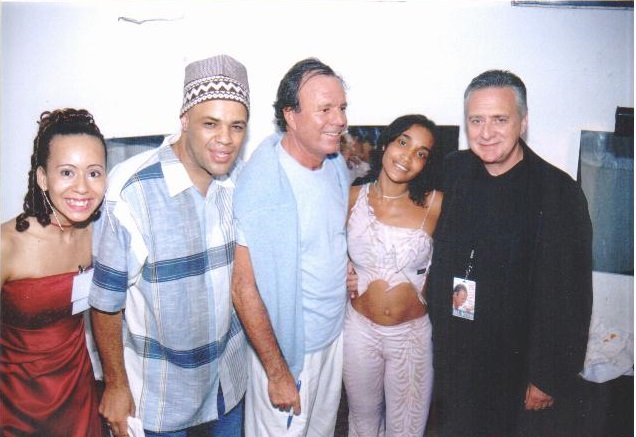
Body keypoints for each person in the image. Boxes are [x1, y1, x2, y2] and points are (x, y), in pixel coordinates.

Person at [89, 54, 250, 437]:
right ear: (184, 120)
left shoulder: (239, 182)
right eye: (210, 123)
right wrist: (116, 385)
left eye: (237, 126)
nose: (225, 139)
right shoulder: (131, 190)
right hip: (159, 396)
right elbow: (106, 301)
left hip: (227, 384)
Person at [427, 69, 593, 437]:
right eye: (476, 120)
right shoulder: (453, 170)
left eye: (500, 119)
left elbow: (571, 296)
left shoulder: (558, 192)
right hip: (453, 356)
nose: (486, 132)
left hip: (514, 367)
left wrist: (548, 376)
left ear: (523, 121)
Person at [231, 57, 349, 436]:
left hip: (332, 340)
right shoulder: (263, 184)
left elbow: (328, 238)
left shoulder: (335, 165)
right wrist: (277, 372)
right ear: (291, 116)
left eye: (342, 108)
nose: (340, 120)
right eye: (325, 109)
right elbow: (243, 288)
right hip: (288, 353)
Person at [1, 108, 106, 437]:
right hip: (16, 406)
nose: (82, 187)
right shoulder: (7, 245)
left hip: (79, 396)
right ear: (43, 178)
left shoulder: (99, 234)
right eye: (67, 172)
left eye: (93, 173)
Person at [343, 114, 443, 437]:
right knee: (363, 424)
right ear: (386, 144)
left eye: (421, 153)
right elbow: (327, 249)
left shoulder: (435, 204)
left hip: (411, 337)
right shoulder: (353, 197)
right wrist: (344, 269)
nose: (408, 157)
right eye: (403, 142)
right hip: (359, 331)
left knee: (407, 429)